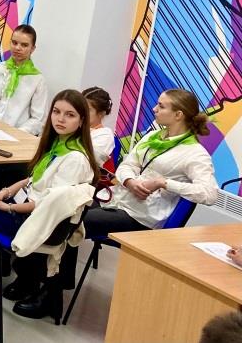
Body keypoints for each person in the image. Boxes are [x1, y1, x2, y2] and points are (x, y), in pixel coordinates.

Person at [0, 90, 99, 314]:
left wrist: (7, 206)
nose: (60, 119)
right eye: (56, 112)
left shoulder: (75, 159)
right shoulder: (59, 145)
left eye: (69, 115)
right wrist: (4, 192)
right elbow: (33, 180)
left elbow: (45, 204)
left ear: (81, 121)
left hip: (30, 222)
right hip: (24, 211)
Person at [59, 89, 218, 287]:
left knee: (70, 221)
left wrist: (163, 182)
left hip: (140, 216)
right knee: (64, 210)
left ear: (178, 114)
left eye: (161, 106)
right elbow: (127, 165)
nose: (154, 109)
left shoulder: (195, 154)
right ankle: (50, 284)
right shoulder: (152, 137)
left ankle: (52, 293)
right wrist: (129, 181)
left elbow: (210, 194)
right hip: (119, 200)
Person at [0, 24, 48, 135]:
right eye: (14, 43)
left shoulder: (37, 80)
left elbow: (38, 119)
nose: (18, 48)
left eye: (24, 45)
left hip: (14, 136)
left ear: (32, 48)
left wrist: (16, 133)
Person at [83, 86, 115, 166]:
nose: (81, 112)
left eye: (87, 110)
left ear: (101, 114)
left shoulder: (105, 135)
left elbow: (87, 159)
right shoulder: (76, 128)